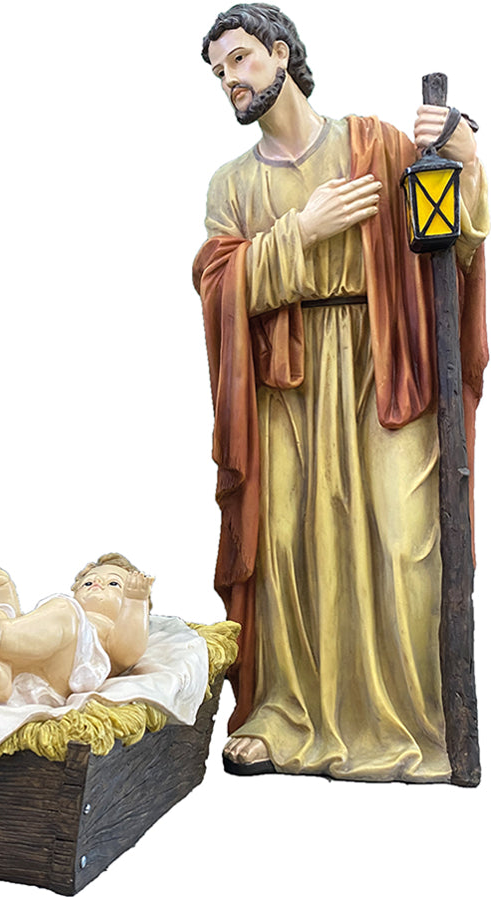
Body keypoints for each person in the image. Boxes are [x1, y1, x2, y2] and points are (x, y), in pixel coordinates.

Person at [193, 4, 487, 781]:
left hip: (386, 362)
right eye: (219, 71)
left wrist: (467, 159)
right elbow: (217, 287)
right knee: (288, 546)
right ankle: (285, 712)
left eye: (240, 59)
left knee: (405, 544)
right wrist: (304, 229)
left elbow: (454, 238)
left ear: (280, 53)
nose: (230, 80)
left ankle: (417, 720)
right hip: (287, 386)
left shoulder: (376, 144)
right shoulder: (232, 184)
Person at [0, 553, 152, 705]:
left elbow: (129, 651)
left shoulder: (105, 626)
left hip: (63, 674)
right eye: (88, 582)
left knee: (64, 610)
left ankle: (1, 640)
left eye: (113, 583)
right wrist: (2, 588)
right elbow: (16, 620)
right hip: (23, 668)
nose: (97, 584)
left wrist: (136, 602)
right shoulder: (49, 619)